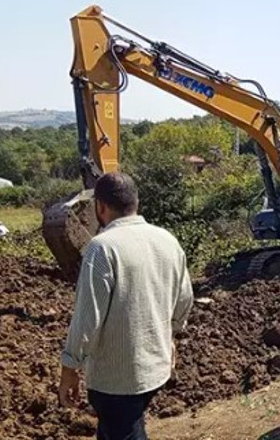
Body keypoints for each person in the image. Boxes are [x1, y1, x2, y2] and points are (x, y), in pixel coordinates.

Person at [59, 172, 194, 440]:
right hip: (155, 368)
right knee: (119, 428)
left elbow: (87, 318)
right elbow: (184, 299)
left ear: (100, 206)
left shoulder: (102, 248)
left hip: (117, 379)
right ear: (136, 202)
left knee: (123, 430)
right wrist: (170, 335)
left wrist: (70, 367)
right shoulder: (167, 240)